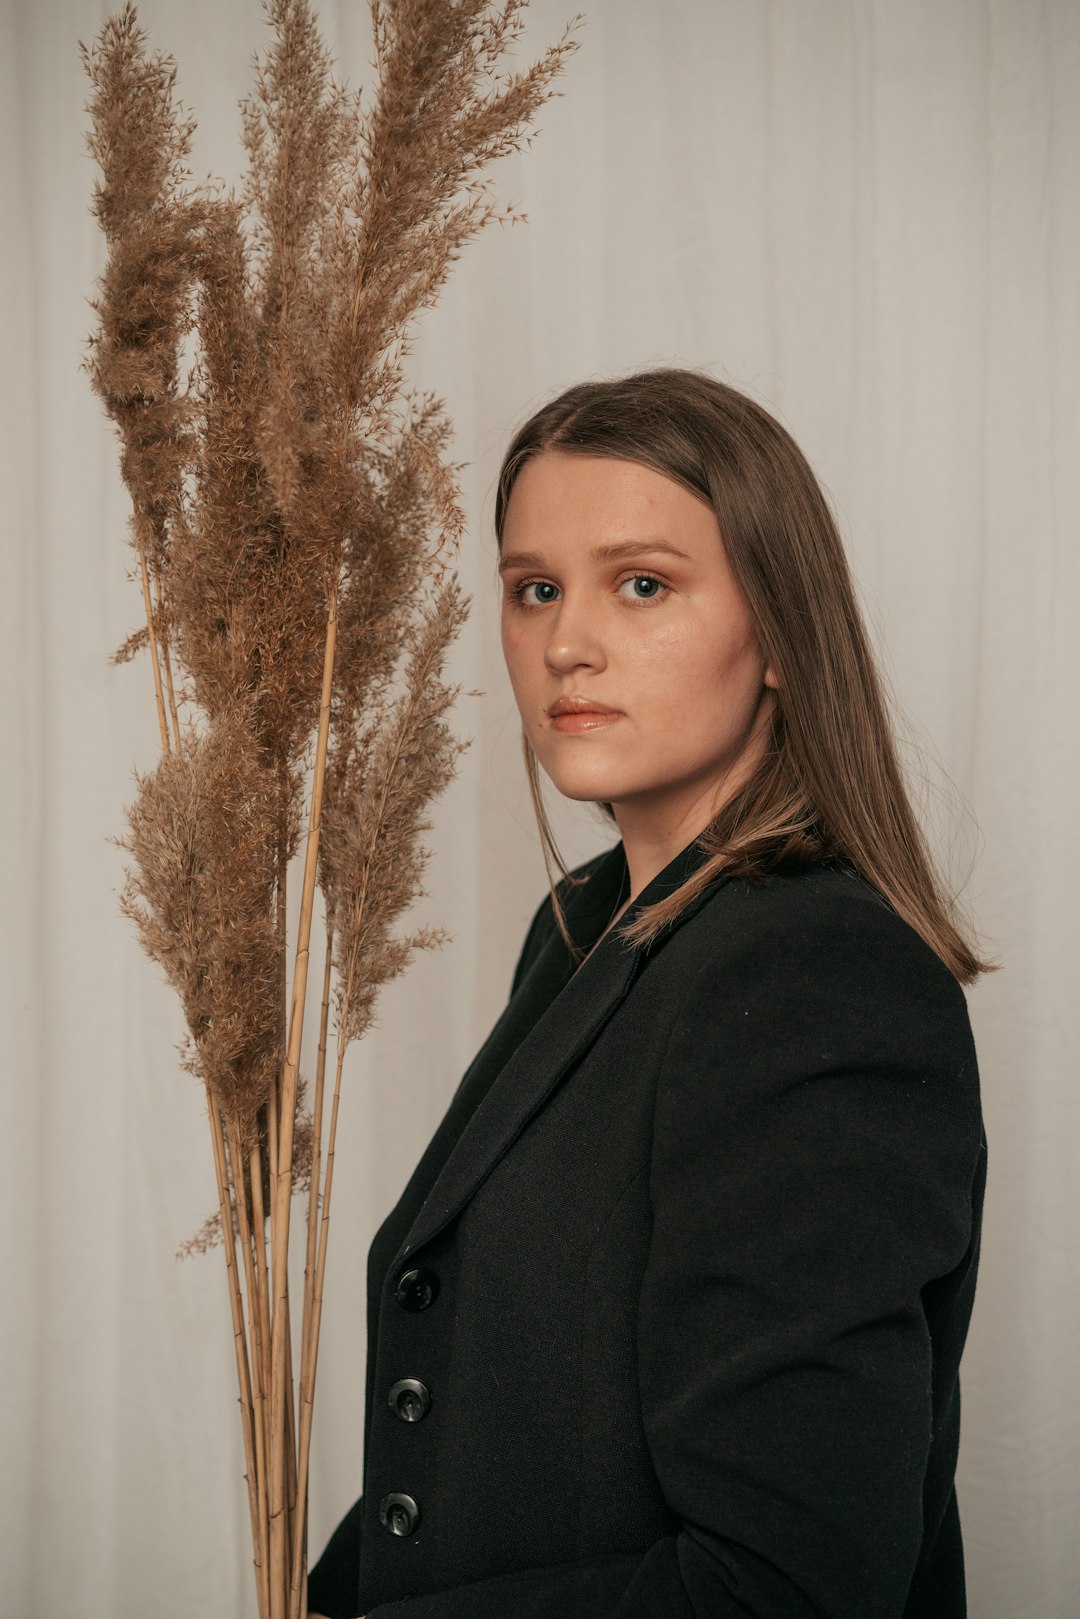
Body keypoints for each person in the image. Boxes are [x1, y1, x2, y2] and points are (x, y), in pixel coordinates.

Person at [308, 367, 990, 1619]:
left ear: (780, 632)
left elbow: (787, 1585)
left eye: (642, 583)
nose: (567, 640)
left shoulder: (814, 979)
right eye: (534, 589)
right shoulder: (581, 930)